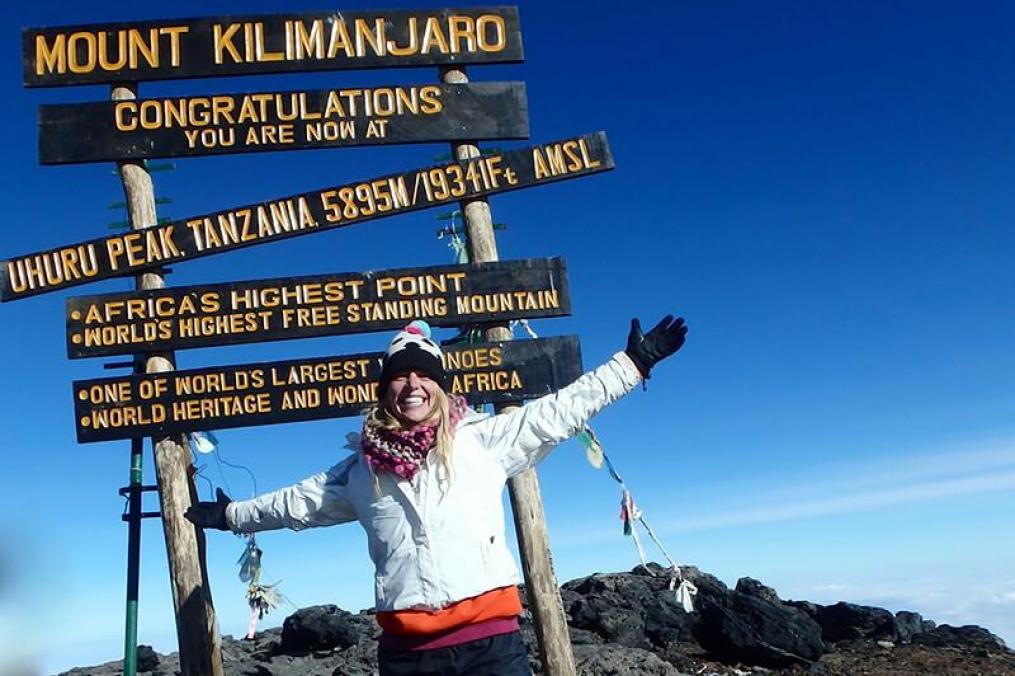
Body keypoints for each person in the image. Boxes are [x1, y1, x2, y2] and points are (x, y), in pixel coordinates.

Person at [187, 315, 687, 675]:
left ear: (441, 386)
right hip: (407, 657)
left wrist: (633, 363)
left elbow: (558, 412)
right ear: (384, 390)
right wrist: (230, 515)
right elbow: (295, 503)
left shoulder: (483, 441)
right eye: (400, 376)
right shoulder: (360, 472)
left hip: (492, 649)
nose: (412, 385)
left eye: (424, 374)